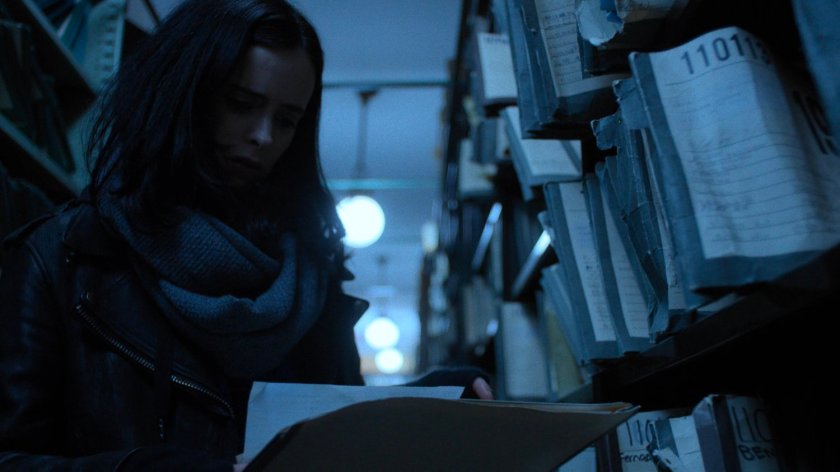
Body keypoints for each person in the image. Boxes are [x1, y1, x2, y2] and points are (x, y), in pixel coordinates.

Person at [0, 0, 491, 470]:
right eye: (240, 104)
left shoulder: (312, 280)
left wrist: (430, 402)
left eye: (286, 120)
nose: (263, 136)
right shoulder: (63, 259)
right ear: (181, 97)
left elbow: (334, 430)